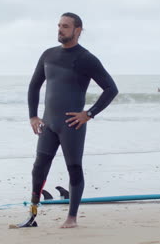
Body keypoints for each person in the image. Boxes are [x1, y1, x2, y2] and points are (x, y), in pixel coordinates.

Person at [23, 12, 118, 228]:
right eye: (59, 25)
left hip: (71, 126)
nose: (60, 29)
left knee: (74, 168)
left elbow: (111, 89)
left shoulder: (86, 59)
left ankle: (72, 218)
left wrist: (89, 113)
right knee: (38, 168)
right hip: (48, 124)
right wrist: (33, 116)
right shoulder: (48, 55)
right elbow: (34, 86)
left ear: (78, 30)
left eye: (65, 26)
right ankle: (32, 215)